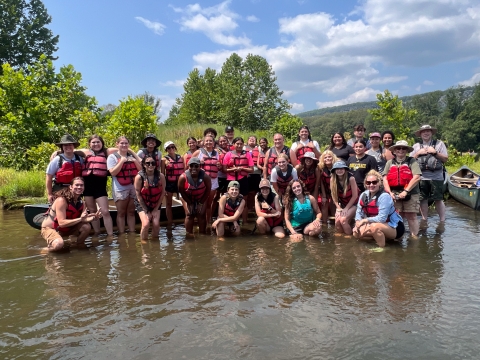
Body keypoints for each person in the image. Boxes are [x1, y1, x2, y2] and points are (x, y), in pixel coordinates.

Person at [41, 177, 101, 252]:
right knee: (59, 244)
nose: (79, 187)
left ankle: (77, 246)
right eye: (77, 185)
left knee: (87, 227)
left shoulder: (82, 202)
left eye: (81, 185)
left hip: (67, 228)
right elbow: (62, 223)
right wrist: (80, 219)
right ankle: (44, 250)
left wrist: (93, 218)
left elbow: (83, 219)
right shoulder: (62, 200)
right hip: (50, 228)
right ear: (71, 187)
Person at [353, 170, 405, 247]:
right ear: (365, 184)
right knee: (356, 233)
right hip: (377, 224)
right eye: (368, 183)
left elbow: (382, 218)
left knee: (374, 227)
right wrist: (357, 223)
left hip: (394, 226)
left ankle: (382, 248)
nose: (371, 185)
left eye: (374, 182)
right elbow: (359, 212)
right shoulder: (363, 195)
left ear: (379, 183)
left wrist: (365, 220)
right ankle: (384, 238)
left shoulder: (384, 196)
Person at [383, 140, 422, 237]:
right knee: (397, 216)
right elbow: (384, 178)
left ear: (407, 150)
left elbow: (417, 177)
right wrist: (389, 192)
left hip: (411, 193)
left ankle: (414, 237)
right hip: (394, 193)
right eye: (398, 148)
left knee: (411, 216)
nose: (401, 150)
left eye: (403, 148)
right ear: (394, 151)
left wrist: (406, 191)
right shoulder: (389, 162)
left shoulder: (412, 161)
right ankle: (398, 236)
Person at [78, 134, 116, 235]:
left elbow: (121, 148)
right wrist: (57, 152)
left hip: (100, 186)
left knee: (105, 211)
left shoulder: (106, 152)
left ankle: (110, 235)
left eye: (98, 142)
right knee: (92, 211)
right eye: (93, 142)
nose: (96, 144)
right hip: (88, 186)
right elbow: (72, 150)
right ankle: (97, 233)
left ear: (102, 143)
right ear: (89, 144)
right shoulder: (86, 152)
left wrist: (131, 152)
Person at [410, 124, 448, 222]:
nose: (426, 133)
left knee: (438, 199)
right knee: (423, 199)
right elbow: (410, 161)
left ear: (431, 133)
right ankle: (424, 219)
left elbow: (445, 159)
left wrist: (435, 153)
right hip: (422, 177)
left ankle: (442, 221)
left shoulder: (440, 144)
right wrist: (418, 153)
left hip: (437, 177)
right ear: (420, 134)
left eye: (428, 131)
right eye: (423, 131)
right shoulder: (416, 146)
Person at [107, 136, 142, 233]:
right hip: (120, 188)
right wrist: (122, 161)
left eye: (126, 143)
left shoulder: (132, 156)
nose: (124, 145)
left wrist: (134, 161)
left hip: (133, 187)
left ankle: (132, 233)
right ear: (117, 144)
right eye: (122, 143)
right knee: (121, 213)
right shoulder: (112, 157)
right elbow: (113, 173)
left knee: (131, 212)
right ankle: (121, 234)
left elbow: (141, 170)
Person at [134, 155, 166, 241]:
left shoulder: (161, 176)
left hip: (155, 202)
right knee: (146, 224)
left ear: (156, 165)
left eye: (153, 163)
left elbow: (163, 192)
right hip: (142, 202)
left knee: (156, 224)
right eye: (148, 163)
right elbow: (138, 195)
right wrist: (146, 211)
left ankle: (155, 242)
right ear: (144, 165)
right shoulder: (139, 178)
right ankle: (144, 244)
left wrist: (155, 209)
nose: (150, 165)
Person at [222, 137, 254, 223]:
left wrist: (241, 168)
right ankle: (229, 221)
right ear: (233, 145)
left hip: (243, 179)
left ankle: (244, 221)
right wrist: (233, 169)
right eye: (237, 144)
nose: (239, 145)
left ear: (243, 145)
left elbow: (251, 170)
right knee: (229, 200)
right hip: (230, 180)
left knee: (244, 200)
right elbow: (224, 169)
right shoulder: (228, 154)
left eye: (241, 144)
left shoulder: (247, 154)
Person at [46, 134, 84, 204]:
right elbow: (49, 177)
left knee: (74, 209)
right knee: (61, 208)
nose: (68, 147)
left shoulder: (79, 159)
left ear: (73, 146)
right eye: (65, 145)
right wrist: (49, 194)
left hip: (75, 188)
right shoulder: (57, 159)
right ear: (62, 147)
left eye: (70, 145)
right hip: (60, 189)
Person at [178, 157, 212, 235]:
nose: (194, 168)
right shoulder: (182, 177)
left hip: (201, 196)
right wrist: (189, 203)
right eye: (191, 166)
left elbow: (208, 191)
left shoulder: (205, 177)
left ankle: (202, 233)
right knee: (190, 214)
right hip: (187, 197)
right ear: (188, 166)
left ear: (200, 166)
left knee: (201, 213)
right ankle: (189, 234)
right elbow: (181, 192)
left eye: (196, 166)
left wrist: (200, 203)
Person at [192, 134, 221, 224]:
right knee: (200, 202)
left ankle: (208, 222)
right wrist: (198, 163)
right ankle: (199, 221)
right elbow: (189, 166)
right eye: (207, 141)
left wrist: (219, 166)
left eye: (210, 141)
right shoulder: (198, 152)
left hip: (213, 181)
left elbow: (219, 167)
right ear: (203, 143)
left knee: (209, 203)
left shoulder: (217, 153)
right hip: (201, 181)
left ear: (213, 143)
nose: (208, 142)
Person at [330, 161, 359, 235]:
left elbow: (355, 196)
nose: (339, 170)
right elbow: (334, 196)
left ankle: (349, 238)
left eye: (341, 168)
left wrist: (346, 208)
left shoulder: (351, 178)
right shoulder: (332, 179)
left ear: (345, 169)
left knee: (343, 220)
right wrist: (338, 208)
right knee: (337, 221)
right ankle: (342, 239)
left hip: (354, 204)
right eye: (337, 169)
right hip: (342, 204)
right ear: (334, 170)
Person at [162, 141, 185, 224]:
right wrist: (163, 187)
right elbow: (162, 174)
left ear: (175, 148)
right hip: (169, 183)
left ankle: (187, 219)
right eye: (168, 148)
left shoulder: (181, 157)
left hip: (180, 182)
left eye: (172, 147)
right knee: (168, 203)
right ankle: (170, 223)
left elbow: (185, 171)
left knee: (184, 201)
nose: (171, 149)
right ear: (166, 150)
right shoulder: (164, 160)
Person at [319, 150, 339, 221]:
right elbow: (321, 183)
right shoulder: (321, 169)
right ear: (323, 159)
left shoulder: (338, 167)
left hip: (336, 190)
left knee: (333, 204)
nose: (327, 158)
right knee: (324, 204)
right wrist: (324, 196)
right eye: (325, 157)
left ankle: (335, 223)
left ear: (333, 157)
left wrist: (334, 196)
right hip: (326, 189)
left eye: (329, 157)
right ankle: (324, 224)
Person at [244, 135, 262, 215]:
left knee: (256, 191)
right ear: (247, 141)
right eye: (250, 139)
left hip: (257, 173)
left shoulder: (259, 148)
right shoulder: (244, 148)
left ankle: (255, 207)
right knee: (248, 192)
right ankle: (248, 207)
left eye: (253, 139)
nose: (252, 140)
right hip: (247, 173)